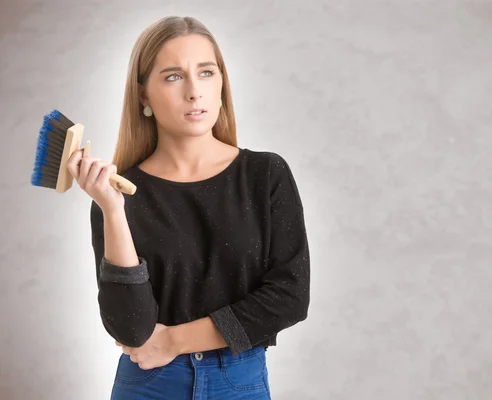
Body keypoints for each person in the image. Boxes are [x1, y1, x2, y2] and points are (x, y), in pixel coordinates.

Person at [66, 15, 310, 399]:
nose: (195, 91)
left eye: (207, 72)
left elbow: (289, 298)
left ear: (222, 84)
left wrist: (175, 340)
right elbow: (130, 329)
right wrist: (113, 211)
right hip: (148, 384)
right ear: (143, 95)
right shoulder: (116, 194)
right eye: (173, 76)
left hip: (238, 381)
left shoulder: (265, 174)